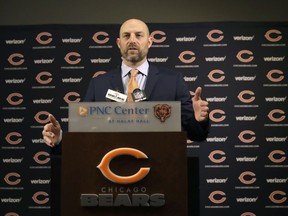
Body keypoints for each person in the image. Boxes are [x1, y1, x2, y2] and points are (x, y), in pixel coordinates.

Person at [42, 18, 209, 148]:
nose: (132, 40)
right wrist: (60, 139)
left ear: (149, 41)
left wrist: (198, 119)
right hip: (110, 172)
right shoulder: (98, 84)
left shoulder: (172, 81)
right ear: (118, 43)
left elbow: (197, 135)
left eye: (139, 35)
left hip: (162, 171)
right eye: (126, 36)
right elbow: (83, 136)